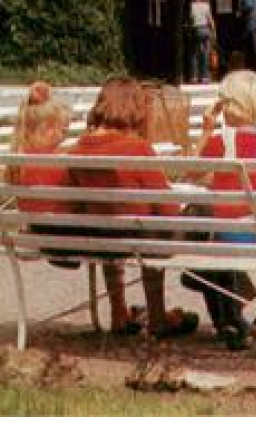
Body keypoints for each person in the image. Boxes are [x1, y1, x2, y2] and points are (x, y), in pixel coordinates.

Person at [68, 77, 198, 338]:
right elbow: (168, 211)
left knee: (116, 224)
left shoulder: (77, 150)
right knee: (158, 227)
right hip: (141, 237)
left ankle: (119, 313)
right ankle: (158, 316)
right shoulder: (137, 149)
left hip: (101, 237)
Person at [184, 71, 256, 350]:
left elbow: (190, 173)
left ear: (226, 105)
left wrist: (206, 131)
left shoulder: (220, 141)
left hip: (222, 237)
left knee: (219, 258)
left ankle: (230, 322)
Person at [9, 82, 80, 269]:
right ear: (46, 129)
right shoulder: (54, 164)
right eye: (61, 130)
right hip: (64, 236)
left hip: (38, 231)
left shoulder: (18, 160)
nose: (62, 136)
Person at [188, 0, 216, 84]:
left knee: (195, 53)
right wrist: (213, 31)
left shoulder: (192, 6)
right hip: (205, 30)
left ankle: (194, 77)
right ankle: (205, 77)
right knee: (205, 53)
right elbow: (210, 19)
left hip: (196, 30)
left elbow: (191, 18)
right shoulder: (206, 5)